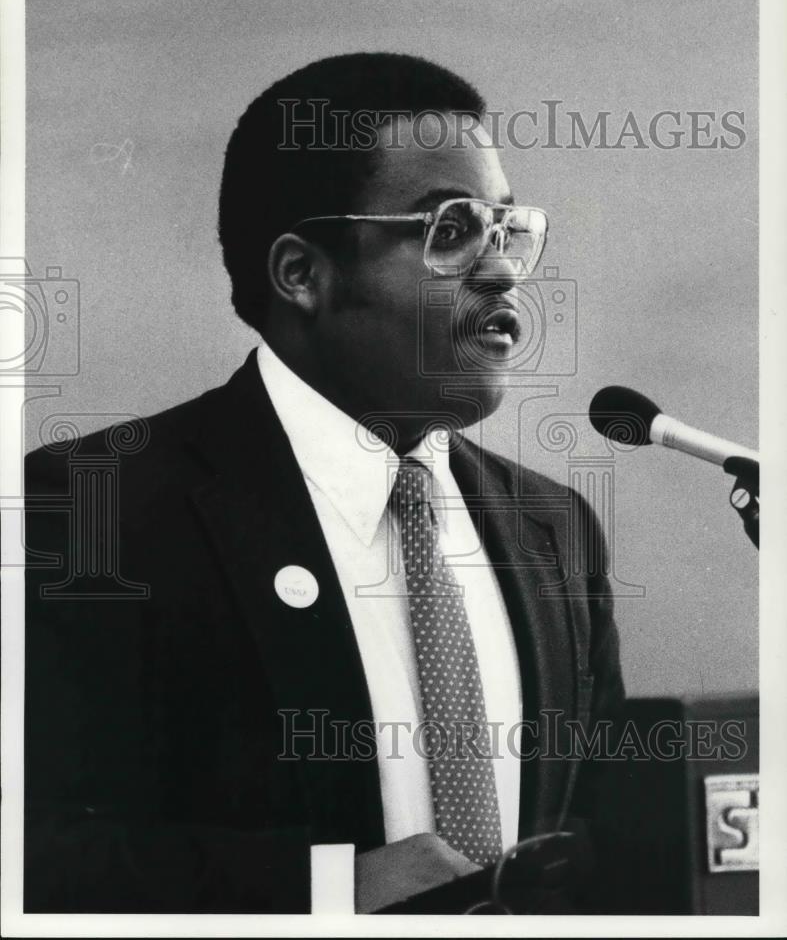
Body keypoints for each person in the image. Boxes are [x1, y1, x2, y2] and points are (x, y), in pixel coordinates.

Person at [24, 52, 624, 914]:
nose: (500, 271)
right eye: (449, 231)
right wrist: (324, 890)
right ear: (302, 273)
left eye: (506, 229)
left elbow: (596, 826)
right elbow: (34, 849)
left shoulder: (553, 527)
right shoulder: (92, 510)